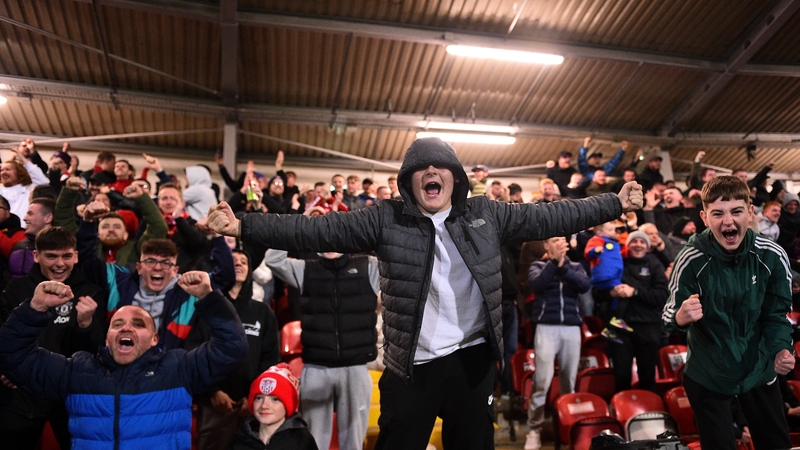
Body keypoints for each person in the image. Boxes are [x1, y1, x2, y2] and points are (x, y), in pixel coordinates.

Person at [203, 137, 643, 450]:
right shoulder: (385, 219)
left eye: (441, 168)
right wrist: (244, 224)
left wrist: (614, 203)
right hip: (411, 365)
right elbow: (315, 228)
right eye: (421, 169)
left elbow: (553, 217)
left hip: (472, 361)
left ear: (454, 178)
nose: (432, 173)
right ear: (409, 181)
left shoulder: (486, 214)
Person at [0, 271, 248, 449]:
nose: (126, 328)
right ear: (107, 338)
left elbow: (232, 345)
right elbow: (14, 357)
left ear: (154, 338)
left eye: (138, 324)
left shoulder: (179, 368)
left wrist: (208, 297)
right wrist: (34, 308)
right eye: (117, 324)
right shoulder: (77, 371)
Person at [663, 176, 794, 450]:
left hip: (758, 369)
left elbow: (776, 316)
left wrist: (782, 348)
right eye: (718, 213)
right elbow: (668, 313)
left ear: (749, 212)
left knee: (776, 444)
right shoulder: (690, 258)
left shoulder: (771, 255)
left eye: (736, 212)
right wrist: (680, 317)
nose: (728, 222)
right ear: (704, 216)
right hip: (709, 372)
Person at [262, 230, 379, 450]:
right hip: (317, 366)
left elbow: (395, 257)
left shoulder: (368, 266)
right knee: (314, 441)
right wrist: (299, 227)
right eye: (324, 234)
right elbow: (272, 259)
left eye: (336, 233)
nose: (330, 239)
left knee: (353, 442)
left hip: (355, 367)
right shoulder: (306, 269)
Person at [0, 226, 106, 449]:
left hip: (70, 392)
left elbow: (96, 352)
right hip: (21, 391)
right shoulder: (16, 289)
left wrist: (86, 325)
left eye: (66, 256)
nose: (60, 264)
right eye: (51, 256)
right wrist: (5, 369)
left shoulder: (91, 292)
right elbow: (5, 337)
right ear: (36, 256)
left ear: (76, 256)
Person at [187, 249, 280, 450]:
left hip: (253, 406)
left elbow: (270, 359)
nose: (238, 264)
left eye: (243, 262)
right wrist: (212, 392)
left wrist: (256, 395)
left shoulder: (263, 311)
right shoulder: (207, 310)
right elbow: (194, 352)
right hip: (214, 404)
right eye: (232, 261)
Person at [524, 236, 590, 450]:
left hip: (571, 327)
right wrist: (554, 263)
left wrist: (563, 267)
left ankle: (567, 427)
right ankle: (534, 429)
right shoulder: (538, 265)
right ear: (546, 245)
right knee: (541, 381)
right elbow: (537, 284)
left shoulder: (576, 265)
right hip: (546, 327)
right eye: (554, 240)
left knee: (569, 382)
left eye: (562, 240)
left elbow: (584, 285)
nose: (559, 244)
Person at [593, 231, 668, 392]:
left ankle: (648, 410)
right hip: (620, 328)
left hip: (648, 327)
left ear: (647, 247)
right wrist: (611, 293)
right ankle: (624, 411)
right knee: (621, 375)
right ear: (627, 245)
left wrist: (634, 292)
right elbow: (597, 292)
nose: (638, 245)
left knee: (647, 376)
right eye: (634, 241)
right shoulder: (617, 263)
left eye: (642, 242)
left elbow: (662, 296)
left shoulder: (655, 265)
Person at [228, 364, 318, 450]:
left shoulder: (302, 441)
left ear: (288, 406)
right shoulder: (239, 439)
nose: (264, 405)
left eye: (275, 399)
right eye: (259, 398)